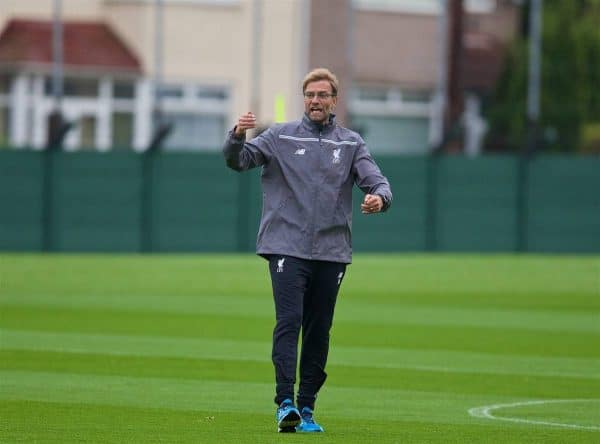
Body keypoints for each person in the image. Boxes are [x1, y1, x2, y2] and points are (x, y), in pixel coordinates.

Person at [223, 68, 392, 433]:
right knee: (289, 322)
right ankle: (285, 403)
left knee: (319, 331)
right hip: (286, 247)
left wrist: (380, 197)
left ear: (334, 100)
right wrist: (237, 136)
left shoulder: (350, 143)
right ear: (305, 99)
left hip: (332, 251)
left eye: (322, 95)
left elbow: (376, 180)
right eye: (309, 95)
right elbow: (239, 161)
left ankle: (308, 408)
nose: (315, 101)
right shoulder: (280, 136)